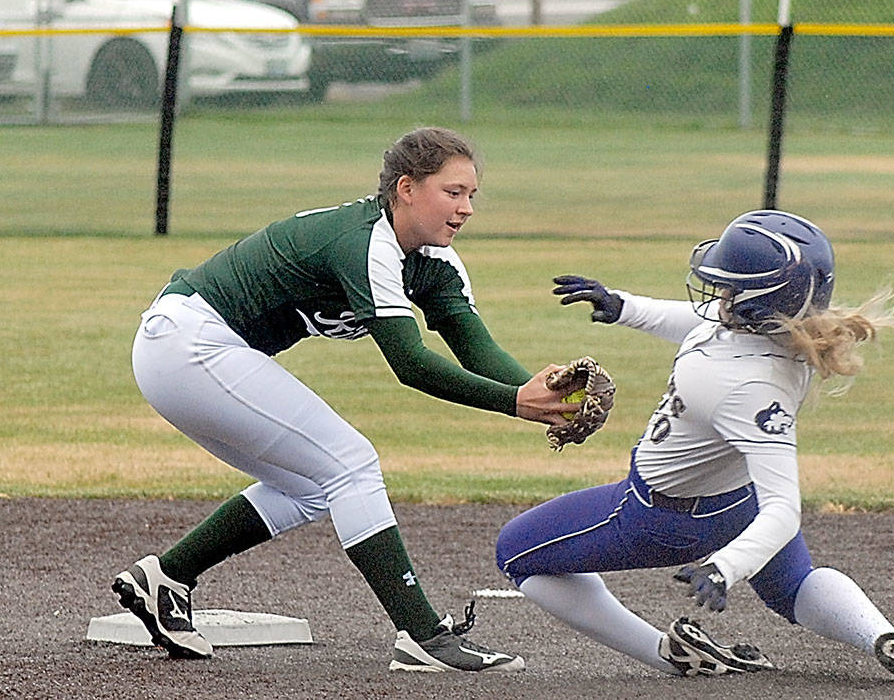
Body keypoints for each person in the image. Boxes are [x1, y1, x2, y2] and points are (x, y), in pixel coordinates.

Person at [113, 127, 580, 672]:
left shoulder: (435, 262)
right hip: (189, 343)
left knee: (313, 486)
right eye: (453, 192)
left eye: (471, 195)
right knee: (352, 463)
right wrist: (516, 403)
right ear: (407, 188)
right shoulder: (367, 242)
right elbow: (410, 365)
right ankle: (423, 636)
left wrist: (539, 394)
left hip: (189, 350)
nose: (467, 208)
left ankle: (167, 577)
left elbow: (475, 348)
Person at [494, 210, 894, 684]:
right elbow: (704, 326)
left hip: (662, 517)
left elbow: (785, 509)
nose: (718, 294)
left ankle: (667, 655)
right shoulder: (789, 337)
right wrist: (623, 306)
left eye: (730, 287)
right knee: (794, 588)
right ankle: (879, 636)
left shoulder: (739, 382)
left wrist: (725, 567)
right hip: (740, 504)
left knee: (517, 553)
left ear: (759, 302)